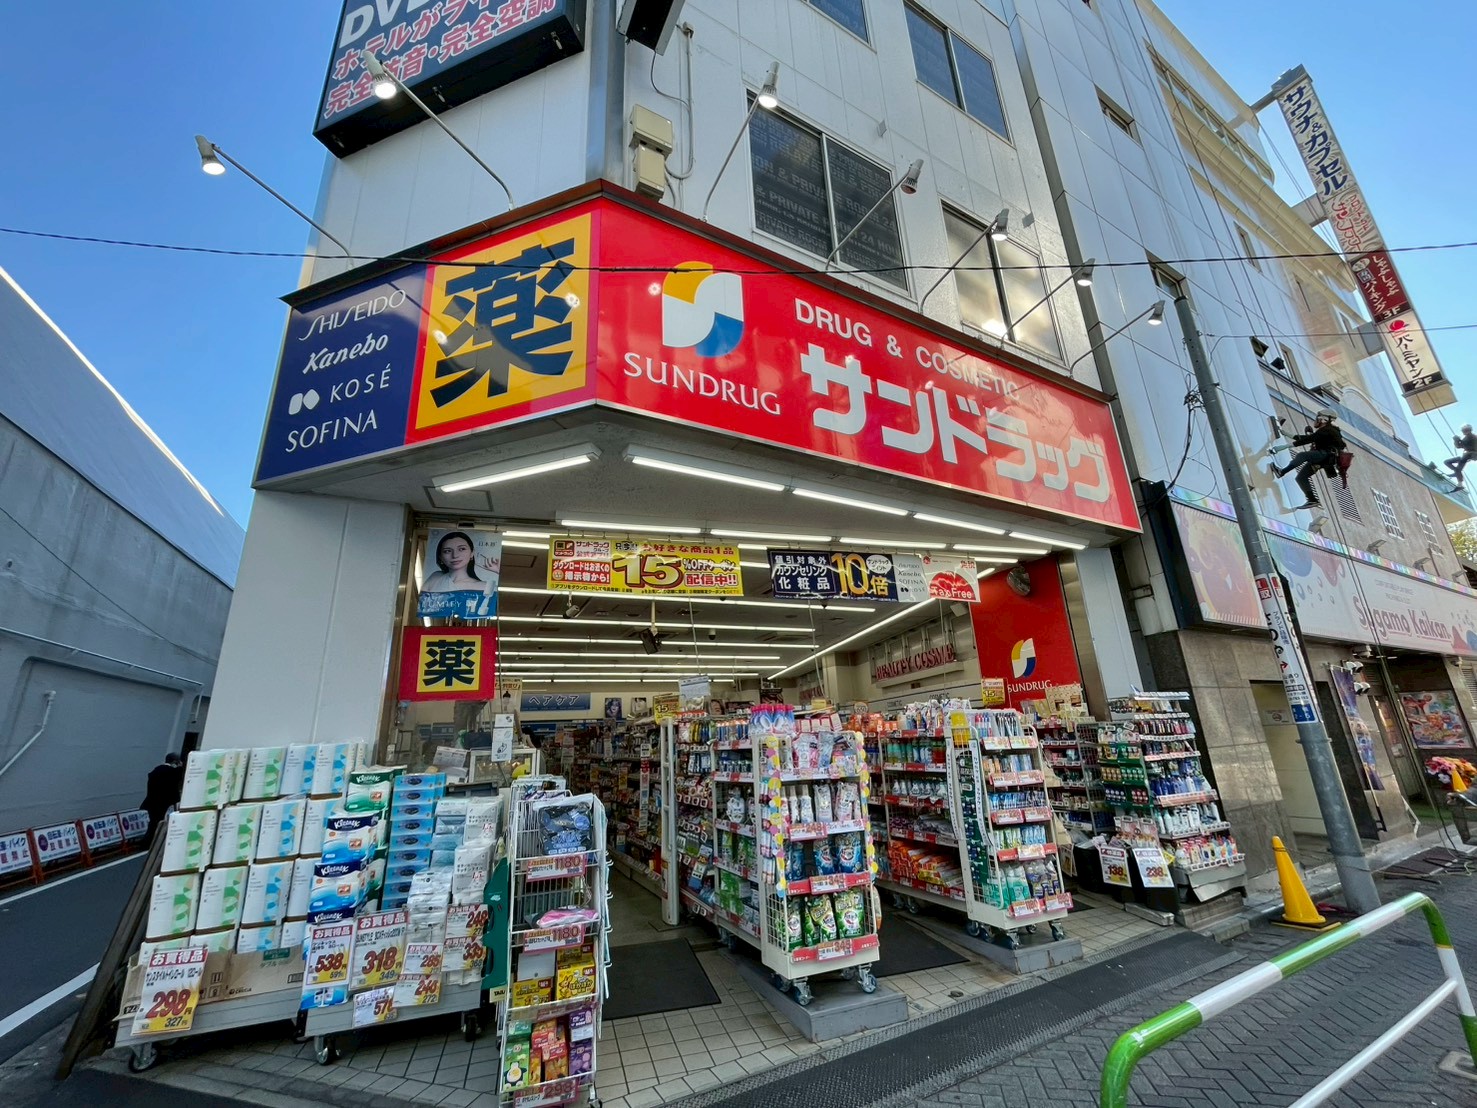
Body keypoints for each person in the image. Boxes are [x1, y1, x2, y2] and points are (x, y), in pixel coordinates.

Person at [1272, 410, 1345, 510]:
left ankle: (1282, 472)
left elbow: (1309, 439)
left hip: (1325, 455)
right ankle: (1312, 500)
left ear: (1324, 419)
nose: (1316, 420)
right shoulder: (1329, 431)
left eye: (1318, 418)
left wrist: (1285, 446)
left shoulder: (1328, 430)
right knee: (1301, 478)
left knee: (1302, 455)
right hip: (1325, 459)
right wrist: (1286, 434)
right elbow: (1309, 438)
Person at [142, 753, 184, 842]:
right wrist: (180, 766)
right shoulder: (172, 772)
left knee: (154, 823)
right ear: (175, 762)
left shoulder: (156, 771)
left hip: (151, 802)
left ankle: (148, 841)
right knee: (159, 823)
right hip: (163, 803)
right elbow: (178, 778)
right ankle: (150, 842)